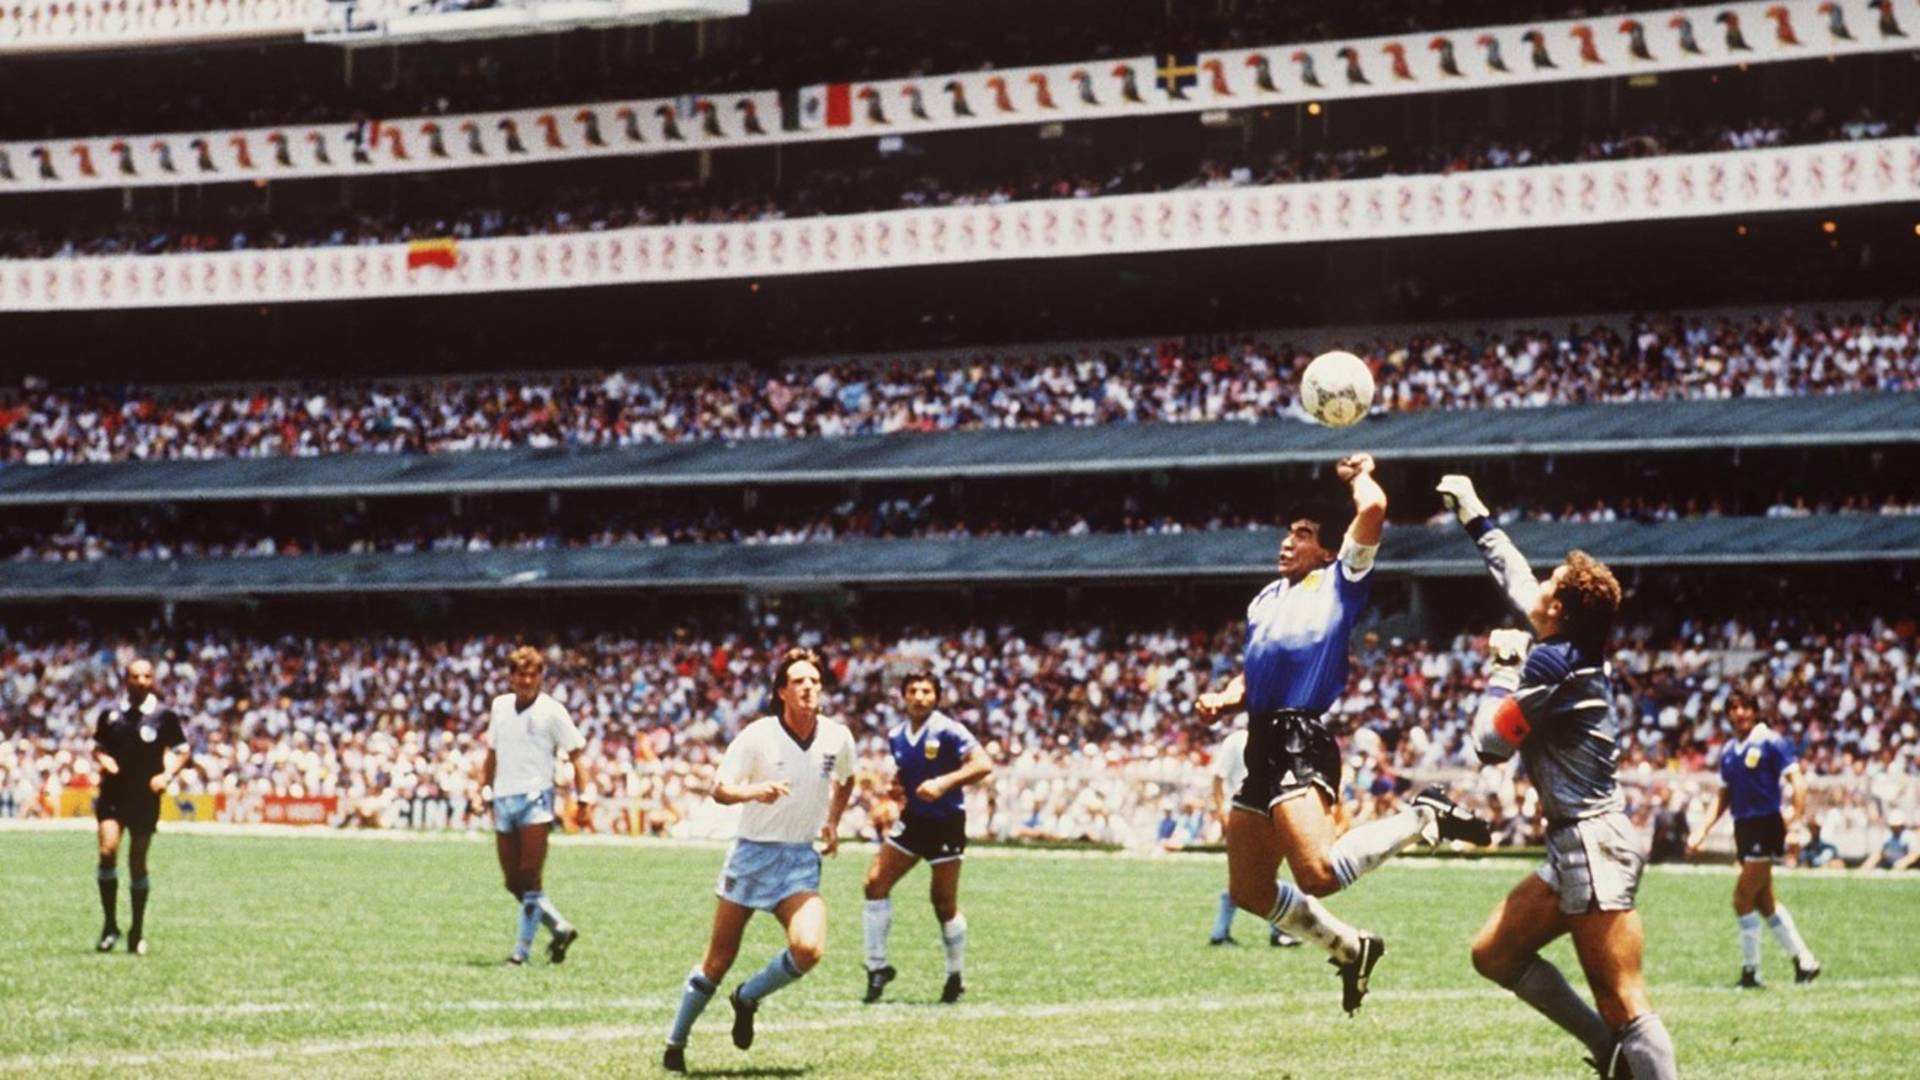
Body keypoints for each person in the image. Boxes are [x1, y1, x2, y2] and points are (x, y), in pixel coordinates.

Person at [1196, 454, 1490, 1015]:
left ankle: (1421, 817)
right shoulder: (1265, 599)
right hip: (1261, 738)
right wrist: (1226, 697)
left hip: (1298, 737)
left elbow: (1375, 508)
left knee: (1321, 873)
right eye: (1287, 534)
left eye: (1303, 535)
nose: (1288, 543)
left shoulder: (1340, 580)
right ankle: (1351, 948)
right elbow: (1256, 668)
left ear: (1327, 550)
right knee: (1250, 891)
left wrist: (1359, 477)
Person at [1438, 474, 1679, 1080]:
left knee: (1624, 998)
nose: (1538, 585)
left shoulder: (1551, 662)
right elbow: (1518, 579)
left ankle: (1623, 1050)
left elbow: (1487, 745)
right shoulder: (1565, 649)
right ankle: (1611, 1055)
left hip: (1594, 844)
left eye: (1551, 585)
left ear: (1562, 610)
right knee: (1495, 953)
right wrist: (1475, 515)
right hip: (1578, 842)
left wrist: (1500, 668)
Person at [663, 647, 856, 1074]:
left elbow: (848, 777)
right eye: (799, 682)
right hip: (752, 854)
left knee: (808, 948)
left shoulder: (836, 736)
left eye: (814, 681)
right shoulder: (758, 736)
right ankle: (675, 1042)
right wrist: (755, 791)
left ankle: (747, 997)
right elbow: (720, 789)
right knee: (718, 958)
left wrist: (833, 822)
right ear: (782, 692)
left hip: (799, 860)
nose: (808, 688)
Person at [861, 671, 995, 1004]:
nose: (920, 696)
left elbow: (983, 764)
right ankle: (877, 967)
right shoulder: (896, 736)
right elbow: (905, 773)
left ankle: (955, 975)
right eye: (913, 691)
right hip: (914, 821)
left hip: (947, 823)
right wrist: (895, 790)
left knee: (943, 903)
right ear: (903, 696)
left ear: (936, 696)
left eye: (926, 691)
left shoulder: (949, 730)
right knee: (874, 884)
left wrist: (943, 783)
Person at [1685, 690, 1820, 987]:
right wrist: (1702, 830)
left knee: (1741, 898)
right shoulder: (1730, 750)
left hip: (1765, 825)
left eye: (1745, 707)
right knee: (1764, 901)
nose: (1739, 713)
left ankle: (1751, 971)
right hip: (1743, 827)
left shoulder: (1771, 741)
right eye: (1734, 708)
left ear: (1755, 711)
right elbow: (1723, 796)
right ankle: (1805, 961)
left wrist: (1794, 821)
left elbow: (1797, 782)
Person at [482, 645, 587, 966]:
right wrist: (483, 787)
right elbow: (492, 752)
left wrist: (583, 798)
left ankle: (521, 952)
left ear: (541, 677)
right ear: (511, 677)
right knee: (512, 882)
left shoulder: (552, 711)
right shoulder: (500, 707)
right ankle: (559, 926)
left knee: (530, 876)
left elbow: (577, 753)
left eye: (532, 674)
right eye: (520, 674)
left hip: (536, 799)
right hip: (503, 797)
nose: (526, 680)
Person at [91, 658, 191, 956]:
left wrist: (167, 775)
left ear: (153, 679)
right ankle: (110, 926)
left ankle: (136, 931)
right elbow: (98, 746)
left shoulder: (163, 716)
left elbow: (182, 750)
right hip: (113, 795)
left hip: (145, 798)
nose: (142, 681)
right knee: (107, 851)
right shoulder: (110, 715)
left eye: (147, 676)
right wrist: (102, 759)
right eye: (136, 676)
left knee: (137, 863)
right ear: (126, 680)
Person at [1206, 723, 1297, 948]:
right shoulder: (1237, 740)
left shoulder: (1275, 742)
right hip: (1242, 813)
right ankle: (1276, 931)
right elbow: (1218, 778)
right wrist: (1221, 814)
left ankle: (1222, 932)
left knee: (1257, 874)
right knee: (1251, 875)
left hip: (1266, 814)